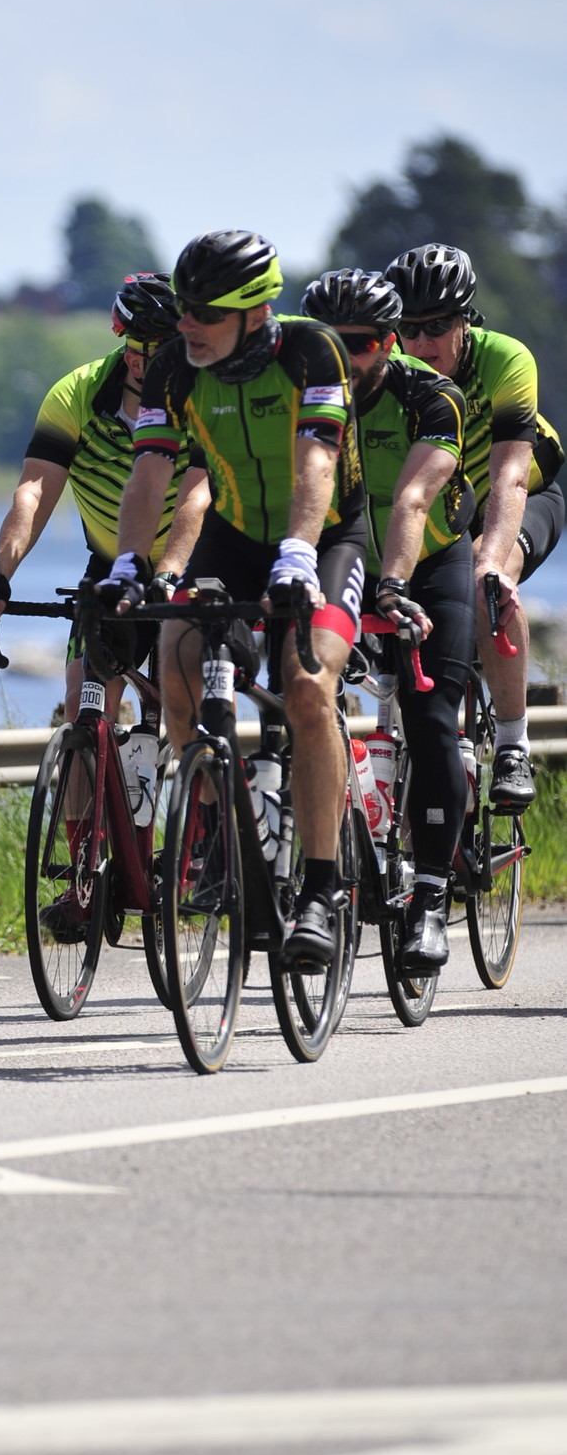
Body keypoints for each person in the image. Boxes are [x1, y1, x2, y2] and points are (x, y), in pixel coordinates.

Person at [107, 229, 367, 968]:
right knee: (177, 664)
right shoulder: (173, 366)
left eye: (206, 313)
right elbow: (150, 474)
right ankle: (225, 830)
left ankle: (321, 888)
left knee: (307, 688)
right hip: (233, 534)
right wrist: (129, 564)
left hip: (327, 535)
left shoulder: (312, 352)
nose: (187, 324)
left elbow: (316, 462)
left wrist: (299, 552)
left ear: (255, 313)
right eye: (184, 308)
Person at [301, 267, 476, 971]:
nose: (348, 357)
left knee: (431, 719)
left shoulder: (430, 394)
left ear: (391, 341)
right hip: (342, 560)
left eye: (365, 342)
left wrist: (396, 585)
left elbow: (411, 500)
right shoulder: (299, 392)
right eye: (332, 341)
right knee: (304, 699)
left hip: (427, 564)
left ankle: (430, 897)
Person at [386, 243, 564, 810]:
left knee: (484, 585)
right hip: (445, 511)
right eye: (407, 329)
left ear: (465, 320)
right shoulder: (392, 372)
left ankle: (512, 745)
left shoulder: (504, 359)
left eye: (436, 326)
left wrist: (489, 563)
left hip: (519, 494)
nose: (421, 343)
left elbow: (511, 477)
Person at [0, 271, 209, 715]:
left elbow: (196, 498)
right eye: (173, 355)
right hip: (114, 567)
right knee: (83, 699)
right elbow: (32, 495)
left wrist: (168, 576)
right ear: (135, 362)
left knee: (192, 705)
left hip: (190, 564)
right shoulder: (76, 395)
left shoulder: (207, 396)